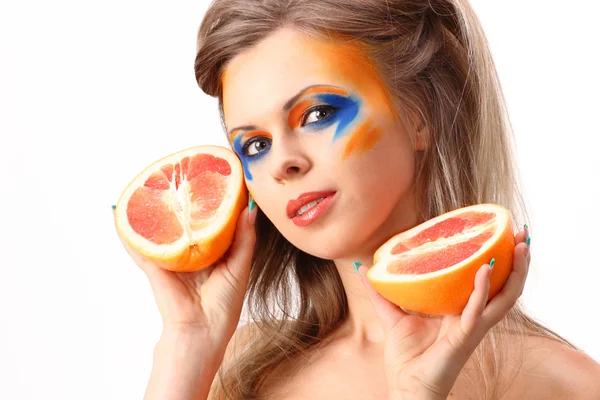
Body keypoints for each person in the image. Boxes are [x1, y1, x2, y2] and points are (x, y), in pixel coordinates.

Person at [116, 0, 600, 398]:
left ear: (418, 115)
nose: (283, 162)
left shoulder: (566, 385)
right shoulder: (240, 370)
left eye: (318, 113)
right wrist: (187, 345)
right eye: (255, 145)